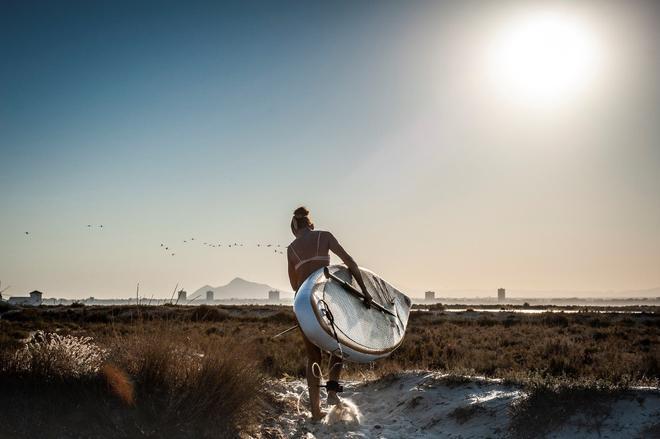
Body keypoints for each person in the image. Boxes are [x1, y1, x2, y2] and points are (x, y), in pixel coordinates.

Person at [287, 206, 372, 421]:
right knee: (338, 345)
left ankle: (315, 412)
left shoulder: (291, 249)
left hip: (303, 304)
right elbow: (350, 262)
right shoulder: (324, 236)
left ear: (295, 229)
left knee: (313, 356)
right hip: (324, 300)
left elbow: (294, 284)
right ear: (311, 224)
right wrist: (364, 291)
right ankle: (332, 390)